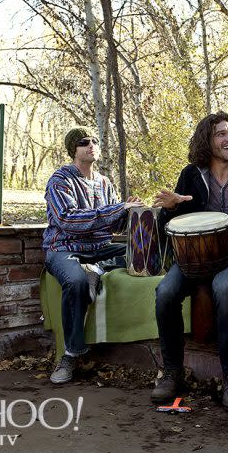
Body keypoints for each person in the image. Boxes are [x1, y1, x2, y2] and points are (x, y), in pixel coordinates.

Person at [151, 111, 228, 411]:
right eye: (221, 134)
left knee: (223, 286)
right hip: (195, 257)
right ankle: (172, 372)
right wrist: (169, 209)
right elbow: (173, 225)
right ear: (207, 141)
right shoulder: (191, 174)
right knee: (165, 292)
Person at [43, 127, 143, 384]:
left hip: (99, 250)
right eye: (84, 142)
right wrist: (117, 209)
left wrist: (128, 211)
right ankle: (70, 354)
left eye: (94, 141)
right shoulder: (60, 180)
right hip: (65, 248)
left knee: (142, 252)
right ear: (73, 150)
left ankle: (96, 271)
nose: (91, 145)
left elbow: (114, 227)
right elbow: (67, 220)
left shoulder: (104, 182)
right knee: (75, 282)